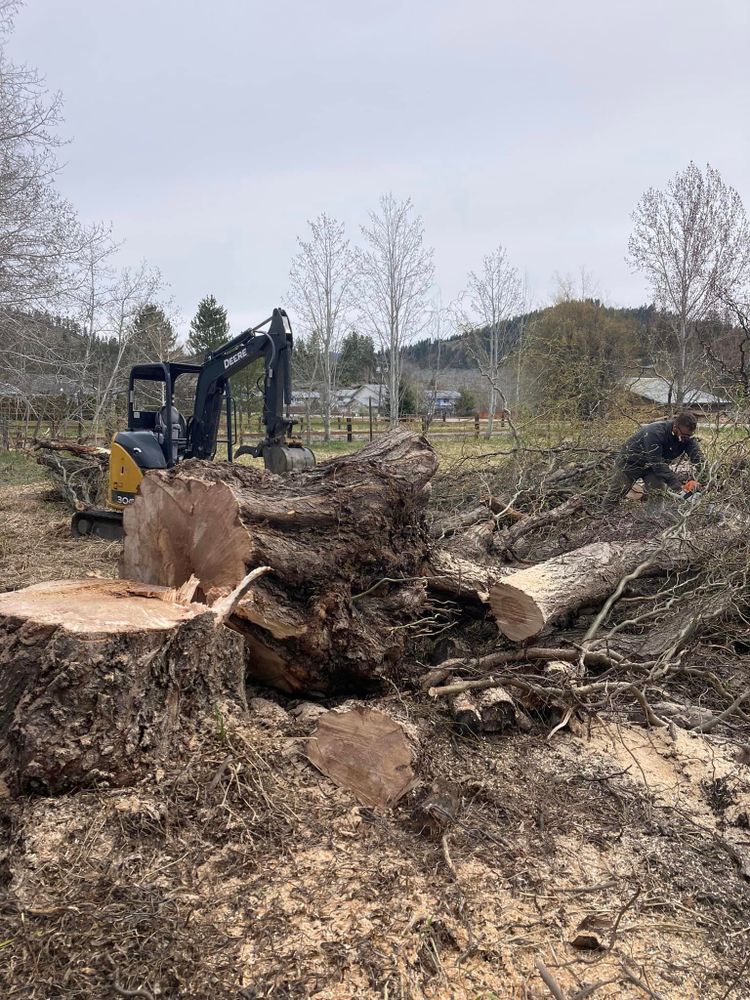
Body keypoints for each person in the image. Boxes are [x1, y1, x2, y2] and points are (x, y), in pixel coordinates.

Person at [604, 411, 705, 507]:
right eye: (683, 436)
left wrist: (707, 479)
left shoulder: (688, 439)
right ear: (675, 426)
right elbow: (656, 462)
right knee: (616, 493)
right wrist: (678, 487)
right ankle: (604, 516)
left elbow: (698, 458)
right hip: (630, 462)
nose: (685, 439)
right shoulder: (655, 432)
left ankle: (652, 521)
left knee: (658, 492)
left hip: (651, 468)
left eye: (689, 436)